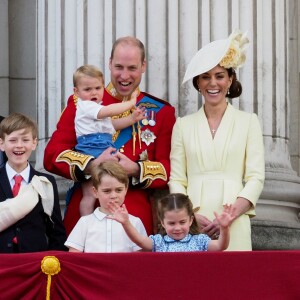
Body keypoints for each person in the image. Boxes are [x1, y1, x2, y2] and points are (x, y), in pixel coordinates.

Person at [44, 36, 176, 235]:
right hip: (86, 216)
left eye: (132, 68)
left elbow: (169, 169)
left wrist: (136, 169)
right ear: (109, 63)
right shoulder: (82, 101)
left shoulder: (161, 112)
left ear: (143, 66)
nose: (124, 75)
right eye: (119, 67)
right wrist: (91, 164)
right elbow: (52, 155)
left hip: (135, 219)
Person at [168, 30, 265, 251]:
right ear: (198, 83)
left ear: (230, 79)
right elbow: (177, 178)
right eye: (206, 76)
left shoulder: (248, 121)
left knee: (235, 282)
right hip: (192, 223)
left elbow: (255, 177)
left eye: (220, 75)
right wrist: (189, 215)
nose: (213, 83)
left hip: (234, 219)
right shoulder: (183, 124)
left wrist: (230, 216)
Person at [73, 64, 146, 216]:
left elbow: (112, 125)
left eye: (98, 88)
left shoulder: (97, 108)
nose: (94, 93)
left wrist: (132, 118)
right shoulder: (86, 106)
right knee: (89, 195)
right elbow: (108, 112)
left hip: (104, 144)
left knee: (111, 190)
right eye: (87, 89)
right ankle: (85, 225)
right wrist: (131, 103)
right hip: (91, 150)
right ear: (76, 92)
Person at [0, 113, 67, 253]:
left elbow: (56, 231)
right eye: (13, 140)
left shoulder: (46, 182)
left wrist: (51, 263)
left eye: (25, 140)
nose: (19, 146)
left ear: (34, 143)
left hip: (35, 262)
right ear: (1, 144)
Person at [65, 161, 147, 252]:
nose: (113, 196)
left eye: (119, 190)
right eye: (107, 191)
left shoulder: (135, 222)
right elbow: (74, 255)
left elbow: (141, 257)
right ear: (95, 192)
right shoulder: (85, 222)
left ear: (126, 189)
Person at [108, 193, 234, 252]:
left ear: (191, 220)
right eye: (172, 223)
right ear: (162, 223)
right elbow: (139, 240)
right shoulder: (159, 242)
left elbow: (220, 246)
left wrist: (224, 228)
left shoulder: (200, 241)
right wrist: (126, 223)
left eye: (182, 222)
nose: (177, 228)